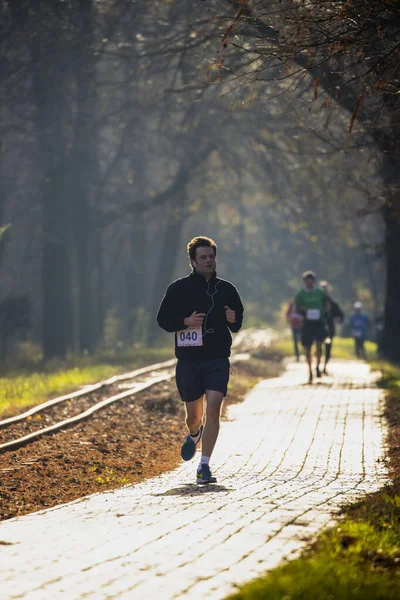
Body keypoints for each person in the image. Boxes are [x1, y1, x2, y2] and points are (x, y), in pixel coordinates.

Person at [156, 236, 244, 484]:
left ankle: (204, 465)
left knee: (214, 408)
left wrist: (231, 318)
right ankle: (194, 434)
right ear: (193, 262)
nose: (208, 261)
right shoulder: (178, 289)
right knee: (193, 417)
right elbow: (162, 320)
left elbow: (238, 322)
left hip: (217, 358)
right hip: (189, 360)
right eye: (203, 258)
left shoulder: (227, 289)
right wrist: (184, 322)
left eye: (212, 257)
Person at [295, 271, 329, 384]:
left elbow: (326, 305)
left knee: (319, 345)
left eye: (311, 282)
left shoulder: (320, 293)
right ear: (305, 282)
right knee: (307, 348)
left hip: (318, 323)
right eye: (307, 282)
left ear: (313, 282)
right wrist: (303, 313)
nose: (309, 284)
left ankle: (318, 366)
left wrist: (325, 313)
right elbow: (297, 308)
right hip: (307, 323)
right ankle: (309, 370)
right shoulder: (301, 294)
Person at [319, 281, 344, 375]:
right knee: (319, 347)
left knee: (327, 348)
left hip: (329, 328)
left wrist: (337, 320)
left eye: (325, 290)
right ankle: (318, 366)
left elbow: (341, 316)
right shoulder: (317, 303)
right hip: (319, 328)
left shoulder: (333, 304)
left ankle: (324, 366)